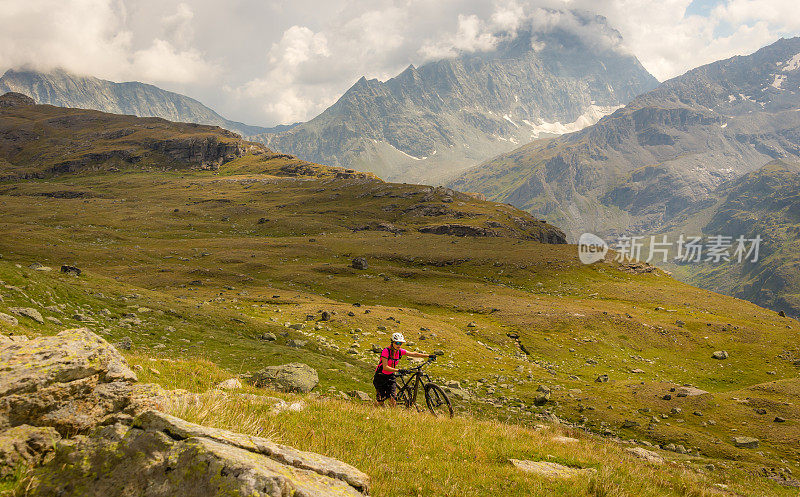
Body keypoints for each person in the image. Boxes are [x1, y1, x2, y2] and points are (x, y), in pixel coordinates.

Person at [373, 332, 436, 406]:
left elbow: (414, 354)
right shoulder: (386, 351)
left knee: (393, 399)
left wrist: (428, 355)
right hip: (381, 376)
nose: (399, 345)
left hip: (390, 376)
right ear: (392, 342)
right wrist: (398, 370)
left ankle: (392, 415)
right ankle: (377, 411)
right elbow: (385, 367)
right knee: (381, 400)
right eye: (397, 343)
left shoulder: (400, 351)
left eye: (400, 343)